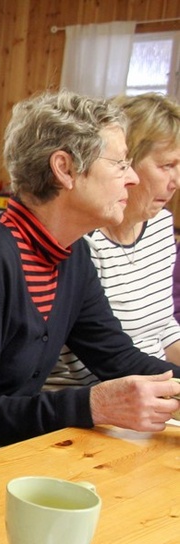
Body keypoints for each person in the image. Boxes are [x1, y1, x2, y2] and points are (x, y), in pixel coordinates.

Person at [0, 90, 180, 466]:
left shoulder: (72, 254)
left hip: (12, 454)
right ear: (65, 169)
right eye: (120, 164)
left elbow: (117, 357)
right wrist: (90, 405)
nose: (132, 178)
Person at [48, 93, 180, 389]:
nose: (177, 181)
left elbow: (164, 330)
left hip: (154, 386)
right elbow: (100, 359)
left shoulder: (160, 225)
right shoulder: (83, 243)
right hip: (98, 397)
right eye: (165, 166)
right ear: (126, 162)